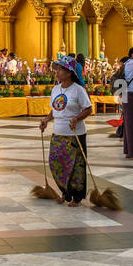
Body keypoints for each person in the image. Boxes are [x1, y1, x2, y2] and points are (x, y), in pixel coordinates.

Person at [38, 55, 92, 206]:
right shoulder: (56, 89)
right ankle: (65, 192)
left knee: (75, 168)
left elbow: (88, 109)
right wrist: (46, 120)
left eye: (60, 69)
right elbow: (55, 109)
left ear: (69, 72)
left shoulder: (78, 90)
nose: (56, 72)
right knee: (56, 163)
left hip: (75, 135)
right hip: (58, 134)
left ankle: (76, 197)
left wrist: (76, 118)